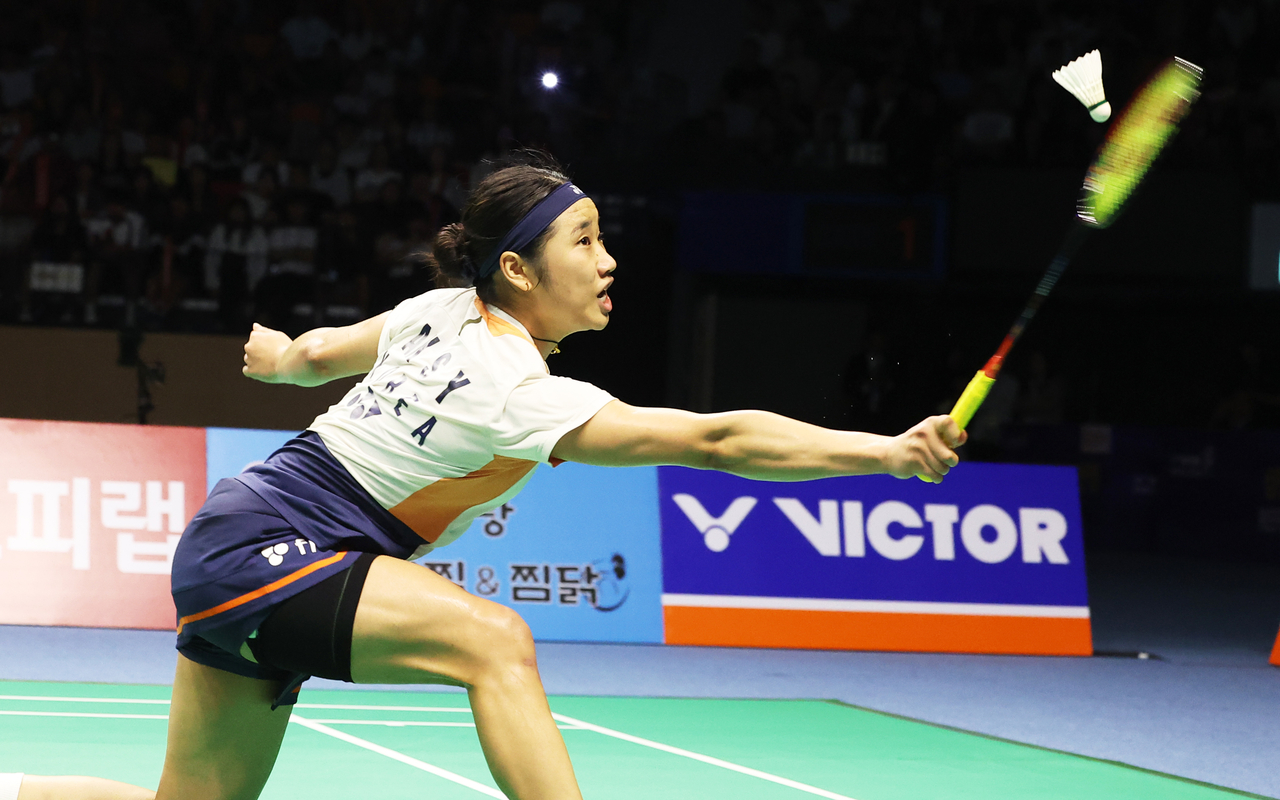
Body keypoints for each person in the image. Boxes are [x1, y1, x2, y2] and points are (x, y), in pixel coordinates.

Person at [4, 153, 965, 800]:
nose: (607, 259)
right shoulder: (516, 388)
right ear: (517, 269)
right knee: (494, 642)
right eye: (583, 240)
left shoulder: (434, 310)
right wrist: (882, 452)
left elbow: (322, 353)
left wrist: (280, 355)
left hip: (244, 532)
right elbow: (714, 442)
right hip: (275, 545)